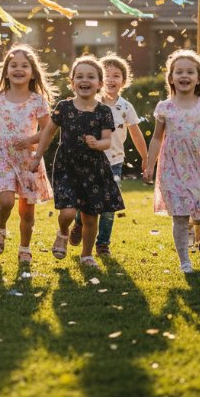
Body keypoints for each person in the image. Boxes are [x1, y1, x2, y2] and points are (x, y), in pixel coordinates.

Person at [0, 44, 56, 265]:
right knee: (6, 201)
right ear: (6, 71)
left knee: (27, 210)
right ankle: (0, 229)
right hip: (3, 153)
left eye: (24, 65)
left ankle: (25, 247)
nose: (18, 69)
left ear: (33, 72)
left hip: (28, 158)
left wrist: (31, 141)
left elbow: (48, 130)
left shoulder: (38, 100)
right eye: (13, 65)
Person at [143, 49, 200, 274]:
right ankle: (185, 261)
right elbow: (156, 138)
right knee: (179, 216)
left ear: (199, 78)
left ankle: (195, 225)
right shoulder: (164, 107)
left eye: (189, 72)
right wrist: (150, 165)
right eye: (179, 72)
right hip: (172, 165)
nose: (184, 76)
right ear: (171, 78)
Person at [31, 56, 123, 267]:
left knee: (91, 217)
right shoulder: (63, 107)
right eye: (79, 76)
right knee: (69, 212)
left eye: (91, 77)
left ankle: (86, 255)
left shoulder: (104, 112)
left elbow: (108, 141)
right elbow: (48, 133)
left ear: (100, 83)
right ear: (72, 83)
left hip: (94, 168)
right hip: (67, 167)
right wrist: (37, 156)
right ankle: (63, 233)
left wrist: (97, 143)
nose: (85, 80)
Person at [66, 53, 148, 256]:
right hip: (88, 161)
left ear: (124, 81)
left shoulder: (125, 107)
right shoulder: (89, 103)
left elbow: (136, 134)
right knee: (85, 201)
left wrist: (146, 158)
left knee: (109, 205)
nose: (112, 80)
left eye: (117, 75)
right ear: (100, 80)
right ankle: (78, 223)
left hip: (114, 163)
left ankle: (103, 243)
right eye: (108, 75)